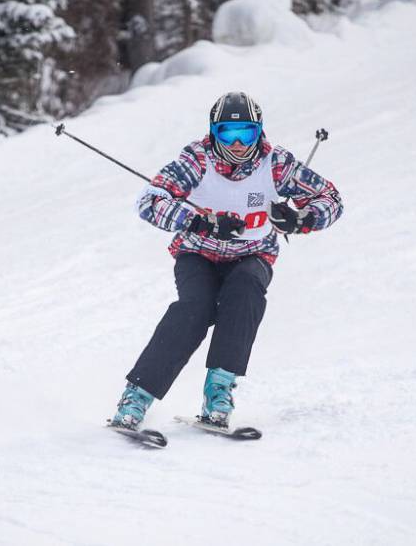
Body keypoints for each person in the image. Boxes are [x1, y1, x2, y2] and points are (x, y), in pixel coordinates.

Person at [108, 91, 344, 429]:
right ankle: (136, 397)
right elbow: (151, 200)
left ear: (259, 132)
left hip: (253, 254)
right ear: (213, 132)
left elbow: (330, 198)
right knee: (195, 309)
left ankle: (218, 390)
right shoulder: (196, 160)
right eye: (227, 134)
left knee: (245, 293)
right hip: (198, 254)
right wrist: (198, 221)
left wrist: (301, 219)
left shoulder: (276, 164)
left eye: (245, 134)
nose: (236, 144)